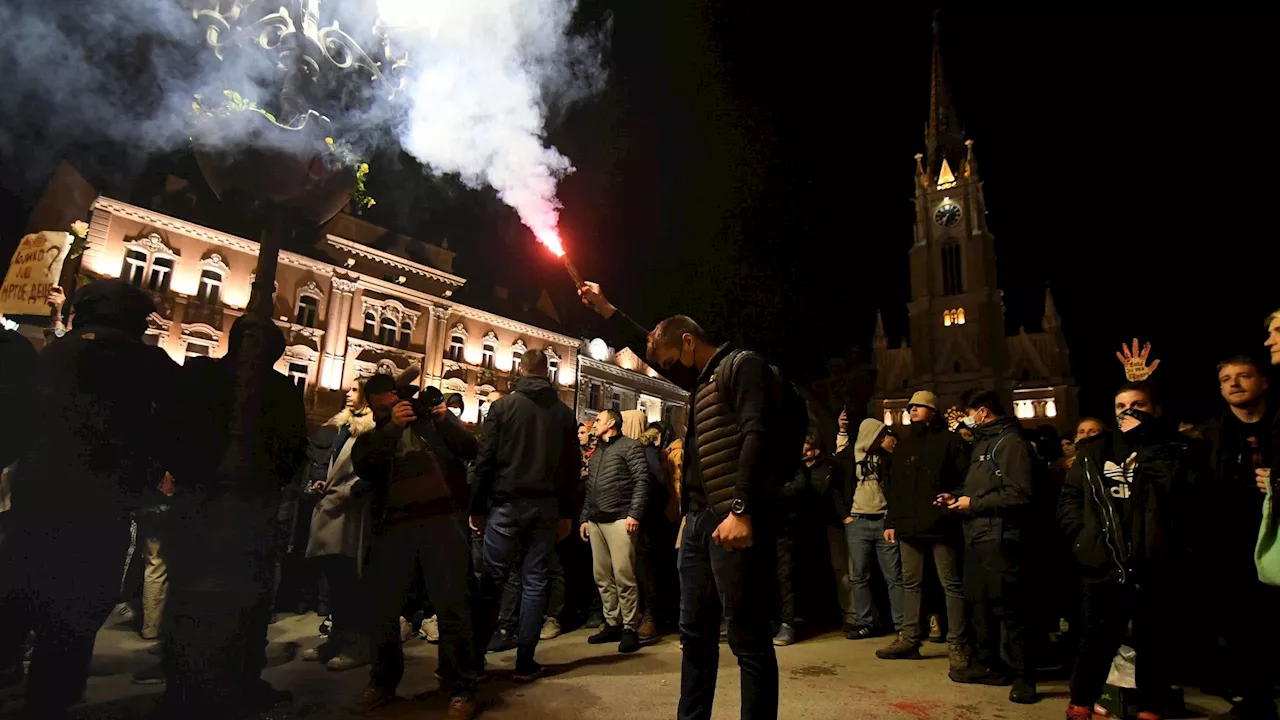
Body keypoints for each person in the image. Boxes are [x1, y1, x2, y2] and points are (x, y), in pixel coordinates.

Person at [580, 281, 780, 720]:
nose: (668, 369)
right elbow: (650, 348)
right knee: (695, 634)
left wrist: (742, 510)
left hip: (734, 520)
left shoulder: (742, 367)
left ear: (689, 342)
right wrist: (607, 309)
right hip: (699, 524)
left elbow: (756, 436)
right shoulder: (702, 382)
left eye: (671, 360)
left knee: (747, 638)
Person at [0, 280, 177, 717]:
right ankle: (51, 696)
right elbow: (179, 421)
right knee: (75, 611)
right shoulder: (144, 361)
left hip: (37, 497)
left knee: (19, 595)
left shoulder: (57, 352)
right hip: (101, 505)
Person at [161, 316, 308, 718]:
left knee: (196, 596)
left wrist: (186, 472)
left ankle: (187, 686)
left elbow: (172, 434)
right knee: (242, 599)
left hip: (208, 500)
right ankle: (230, 683)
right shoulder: (276, 390)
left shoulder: (203, 377)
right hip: (243, 506)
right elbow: (293, 451)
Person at [1059, 382, 1202, 720]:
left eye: (1138, 404)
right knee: (1097, 639)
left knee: (1155, 641)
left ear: (1155, 410)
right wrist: (1082, 539)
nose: (1129, 411)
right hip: (1105, 559)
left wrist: (1149, 444)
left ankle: (1151, 709)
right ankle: (1081, 704)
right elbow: (1071, 499)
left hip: (1155, 560)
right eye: (1121, 405)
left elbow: (1183, 492)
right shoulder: (1095, 450)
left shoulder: (1174, 449)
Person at [348, 373, 480, 719]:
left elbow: (471, 450)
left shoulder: (432, 427)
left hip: (441, 522)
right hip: (394, 527)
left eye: (396, 398)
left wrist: (445, 418)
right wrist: (392, 427)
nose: (395, 404)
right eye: (384, 402)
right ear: (375, 407)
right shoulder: (373, 436)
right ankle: (383, 681)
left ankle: (460, 685)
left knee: (452, 606)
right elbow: (365, 466)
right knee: (385, 610)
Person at [470, 349, 580, 683]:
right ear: (547, 372)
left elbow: (485, 460)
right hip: (546, 507)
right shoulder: (563, 414)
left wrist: (477, 507)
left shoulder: (502, 407)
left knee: (492, 579)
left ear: (521, 369)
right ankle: (525, 661)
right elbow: (571, 468)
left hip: (506, 504)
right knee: (535, 582)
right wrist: (567, 513)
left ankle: (475, 659)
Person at [944, 389, 1037, 703]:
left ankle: (1025, 677)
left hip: (1000, 537)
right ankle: (990, 667)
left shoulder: (1010, 443)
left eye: (969, 411)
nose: (967, 418)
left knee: (1010, 608)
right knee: (980, 605)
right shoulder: (984, 442)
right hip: (977, 535)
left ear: (982, 412)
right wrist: (957, 497)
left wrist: (975, 503)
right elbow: (978, 485)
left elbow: (1020, 493)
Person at [1201, 356, 1279, 720]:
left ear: (1263, 382)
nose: (1234, 384)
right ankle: (1255, 697)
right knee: (1243, 623)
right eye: (1226, 379)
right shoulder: (1211, 434)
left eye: (1243, 376)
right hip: (1231, 542)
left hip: (1276, 536)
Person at [878, 390, 970, 676]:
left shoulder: (950, 442)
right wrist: (891, 521)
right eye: (910, 406)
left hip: (941, 523)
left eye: (918, 406)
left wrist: (952, 498)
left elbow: (964, 479)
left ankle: (958, 643)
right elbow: (894, 488)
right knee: (910, 582)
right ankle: (909, 638)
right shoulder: (904, 446)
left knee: (950, 584)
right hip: (909, 524)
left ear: (932, 410)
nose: (912, 410)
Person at [302, 381, 377, 672]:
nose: (348, 393)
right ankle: (338, 638)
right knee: (335, 580)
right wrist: (325, 481)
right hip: (334, 507)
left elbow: (369, 472)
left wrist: (350, 491)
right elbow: (335, 464)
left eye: (356, 390)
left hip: (353, 513)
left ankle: (356, 645)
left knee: (350, 582)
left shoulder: (370, 430)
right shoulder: (345, 427)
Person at [579, 409, 649, 653]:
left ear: (611, 423)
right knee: (602, 576)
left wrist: (634, 514)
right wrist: (585, 518)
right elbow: (591, 488)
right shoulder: (598, 452)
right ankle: (613, 622)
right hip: (597, 521)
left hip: (620, 519)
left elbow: (642, 480)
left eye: (597, 420)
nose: (593, 424)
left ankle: (630, 627)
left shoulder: (630, 447)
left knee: (623, 574)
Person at [844, 419, 903, 641]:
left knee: (894, 576)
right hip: (858, 521)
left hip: (883, 521)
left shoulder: (888, 460)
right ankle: (864, 623)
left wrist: (892, 521)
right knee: (859, 576)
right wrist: (845, 515)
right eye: (878, 435)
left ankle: (902, 625)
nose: (882, 439)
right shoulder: (849, 459)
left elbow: (897, 491)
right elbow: (837, 487)